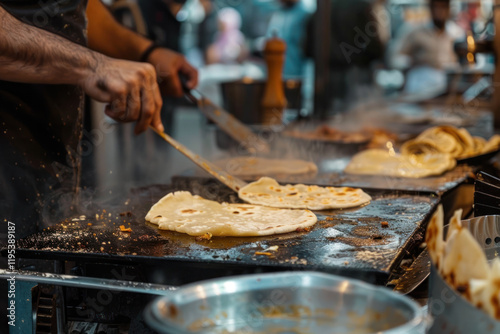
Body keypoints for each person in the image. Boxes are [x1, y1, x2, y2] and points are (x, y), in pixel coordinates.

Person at [391, 0, 464, 94]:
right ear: (430, 8)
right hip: (421, 85)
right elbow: (395, 58)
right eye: (436, 7)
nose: (439, 11)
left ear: (449, 8)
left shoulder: (457, 34)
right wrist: (410, 62)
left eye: (443, 7)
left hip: (449, 88)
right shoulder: (415, 31)